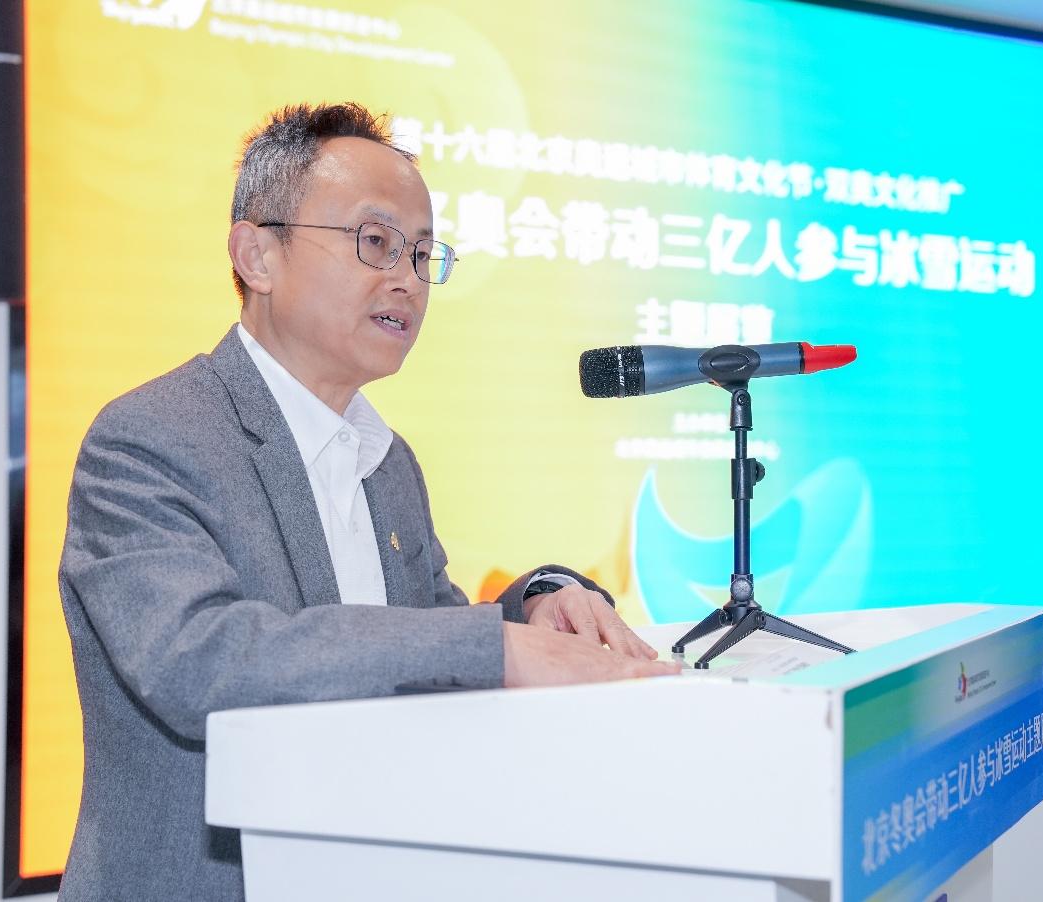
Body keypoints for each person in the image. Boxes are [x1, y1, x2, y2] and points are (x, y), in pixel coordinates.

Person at [55, 102, 679, 901]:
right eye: (375, 242)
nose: (406, 280)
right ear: (257, 255)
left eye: (421, 254)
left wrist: (530, 611)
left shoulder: (386, 458)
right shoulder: (151, 436)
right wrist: (494, 650)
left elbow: (423, 628)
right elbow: (201, 660)